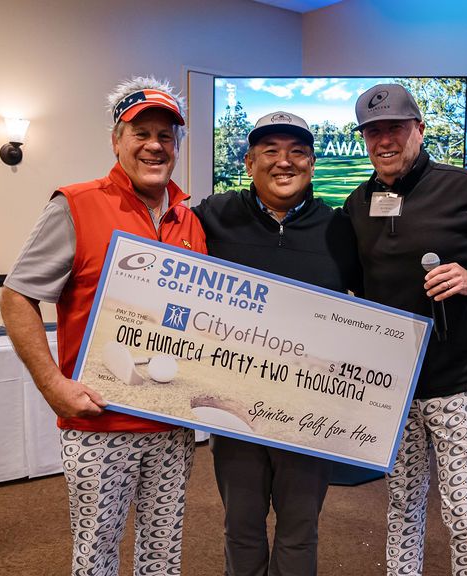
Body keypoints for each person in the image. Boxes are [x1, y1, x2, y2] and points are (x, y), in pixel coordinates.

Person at [0, 76, 206, 576]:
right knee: (97, 555)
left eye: (166, 135)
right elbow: (16, 297)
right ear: (117, 140)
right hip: (99, 420)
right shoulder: (75, 203)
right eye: (141, 134)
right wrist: (53, 385)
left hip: (172, 425)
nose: (155, 146)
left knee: (163, 557)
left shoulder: (190, 220)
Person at [343, 84, 467, 576]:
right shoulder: (357, 203)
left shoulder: (465, 188)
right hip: (395, 383)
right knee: (402, 502)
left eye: (395, 129)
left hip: (461, 378)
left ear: (419, 130)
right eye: (373, 132)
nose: (384, 141)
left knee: (464, 509)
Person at [191, 111, 359, 576]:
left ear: (312, 164)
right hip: (234, 409)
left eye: (298, 152)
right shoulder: (211, 217)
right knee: (241, 529)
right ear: (248, 163)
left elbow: (370, 312)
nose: (284, 162)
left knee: (299, 532)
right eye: (271, 151)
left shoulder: (340, 229)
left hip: (309, 414)